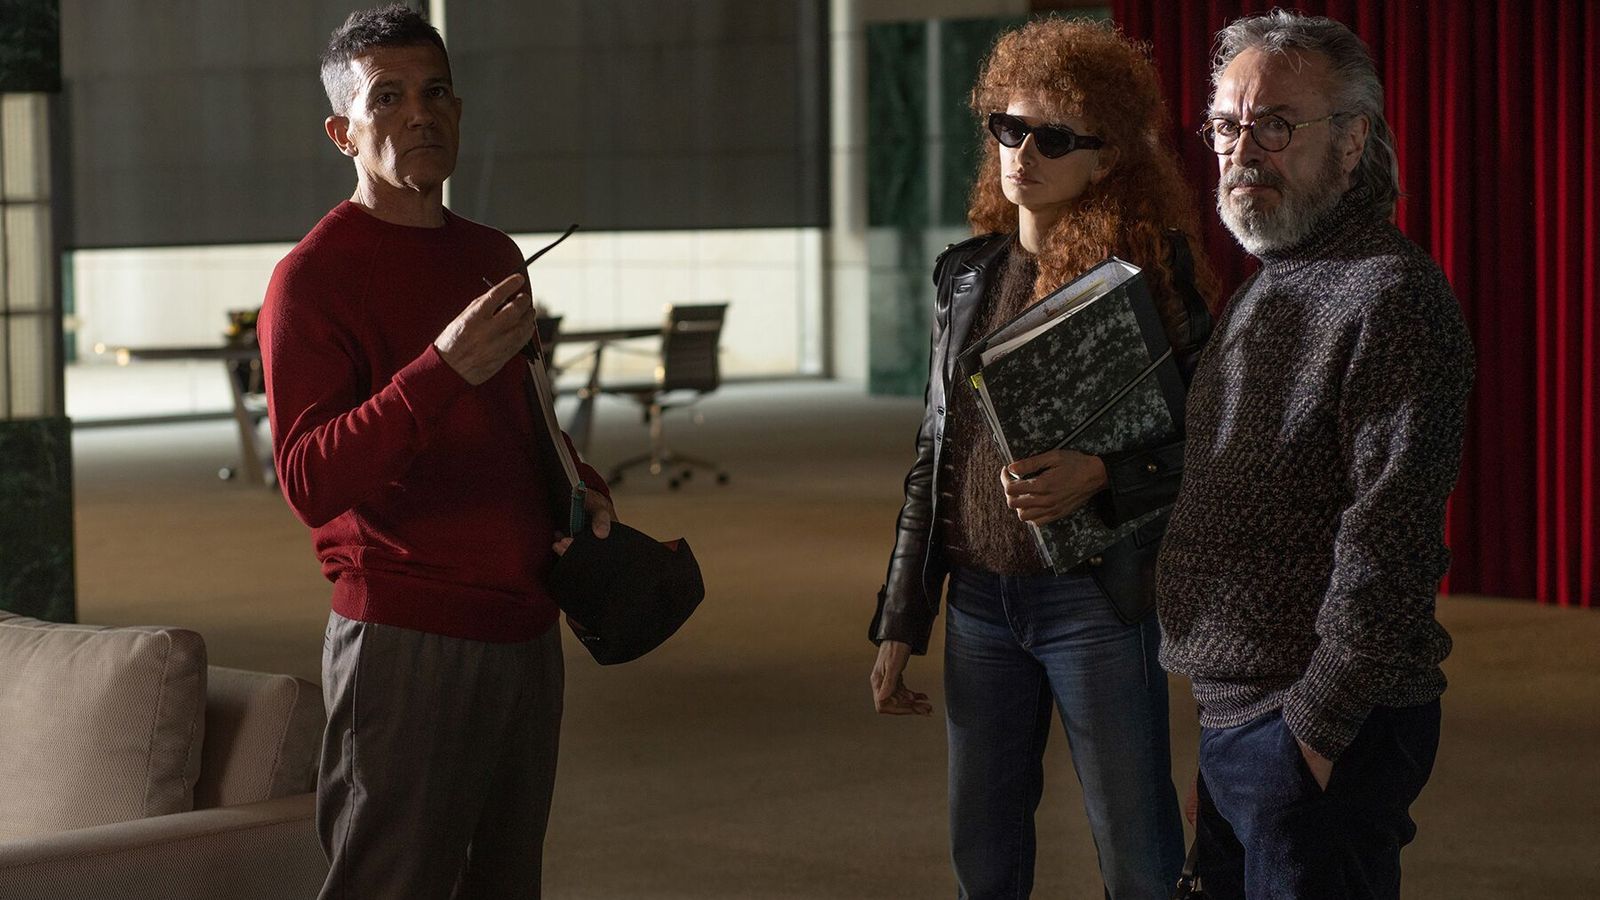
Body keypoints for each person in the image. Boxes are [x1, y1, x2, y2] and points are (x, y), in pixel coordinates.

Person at [258, 6, 614, 898]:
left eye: (437, 92)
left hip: (526, 626)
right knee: (392, 882)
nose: (421, 113)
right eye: (389, 98)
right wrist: (439, 370)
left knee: (504, 882)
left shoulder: (492, 255)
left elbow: (527, 416)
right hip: (405, 635)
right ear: (344, 131)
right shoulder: (311, 278)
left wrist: (582, 485)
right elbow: (308, 478)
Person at [867, 19, 1217, 899]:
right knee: (982, 856)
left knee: (1138, 853)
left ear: (1105, 159)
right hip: (983, 605)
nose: (1023, 152)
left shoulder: (1151, 272)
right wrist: (903, 618)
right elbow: (935, 453)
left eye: (1054, 137)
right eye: (1008, 128)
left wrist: (1102, 473)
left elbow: (1217, 441)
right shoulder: (967, 274)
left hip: (1097, 598)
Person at [1156, 11, 1475, 899]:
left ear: (1351, 142)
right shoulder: (1274, 280)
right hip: (1244, 716)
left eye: (1275, 124)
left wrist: (1310, 739)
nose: (1242, 149)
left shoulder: (1391, 294)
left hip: (1317, 720)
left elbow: (1391, 541)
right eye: (1226, 124)